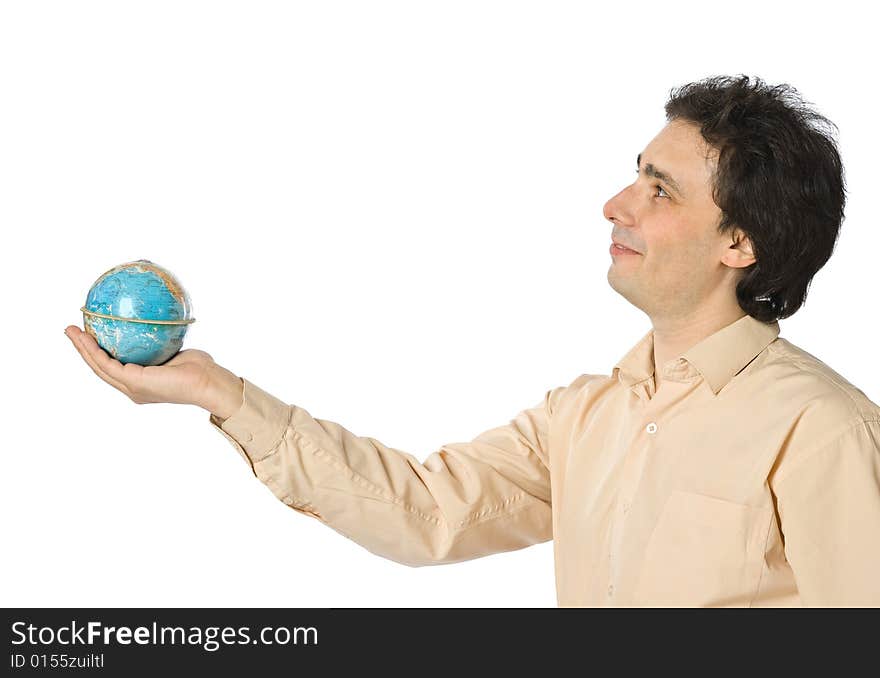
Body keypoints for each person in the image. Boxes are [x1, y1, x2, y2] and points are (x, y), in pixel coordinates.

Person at [65, 74, 880, 607]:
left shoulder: (822, 429)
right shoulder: (584, 416)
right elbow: (425, 511)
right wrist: (221, 395)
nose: (615, 205)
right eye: (635, 173)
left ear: (739, 241)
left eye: (658, 191)